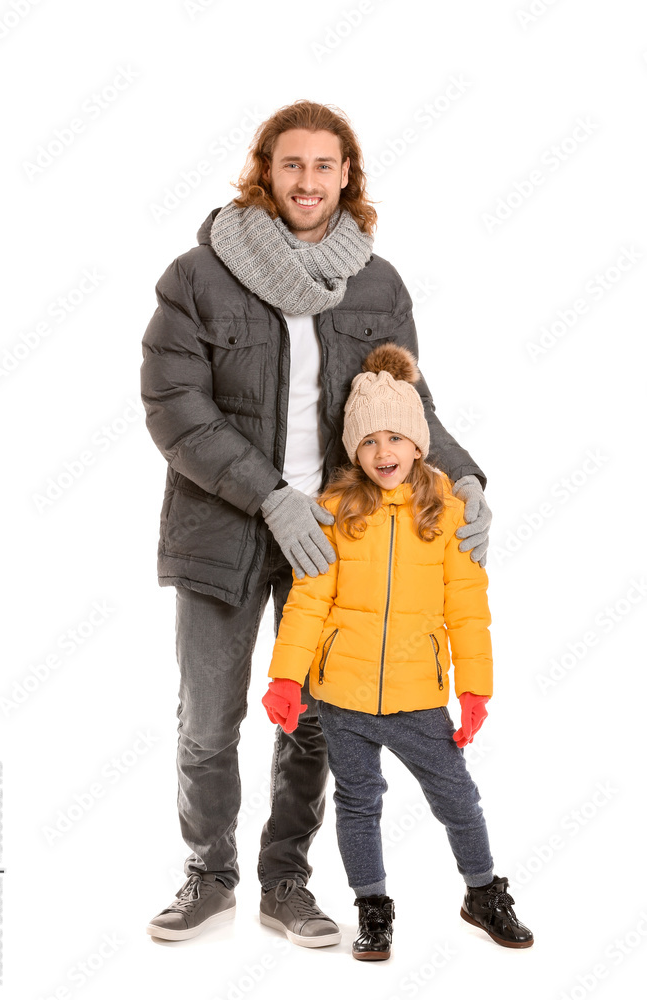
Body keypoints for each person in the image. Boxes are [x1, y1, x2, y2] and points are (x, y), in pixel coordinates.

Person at [140, 99, 493, 946]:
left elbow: (405, 404)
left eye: (324, 166)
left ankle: (286, 881)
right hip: (224, 527)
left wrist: (467, 474)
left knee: (315, 720)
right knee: (208, 717)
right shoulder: (199, 275)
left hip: (341, 535)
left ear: (347, 175)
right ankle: (208, 875)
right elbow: (173, 407)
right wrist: (269, 494)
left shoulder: (376, 281)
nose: (308, 180)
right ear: (265, 170)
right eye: (291, 164)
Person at [261, 341, 533, 960]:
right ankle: (373, 907)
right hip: (342, 699)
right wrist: (286, 678)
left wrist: (474, 689)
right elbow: (308, 603)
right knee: (358, 805)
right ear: (355, 450)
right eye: (370, 441)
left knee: (457, 798)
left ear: (418, 442)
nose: (384, 452)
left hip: (418, 696)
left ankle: (483, 892)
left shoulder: (451, 512)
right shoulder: (333, 511)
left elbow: (468, 608)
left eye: (396, 438)